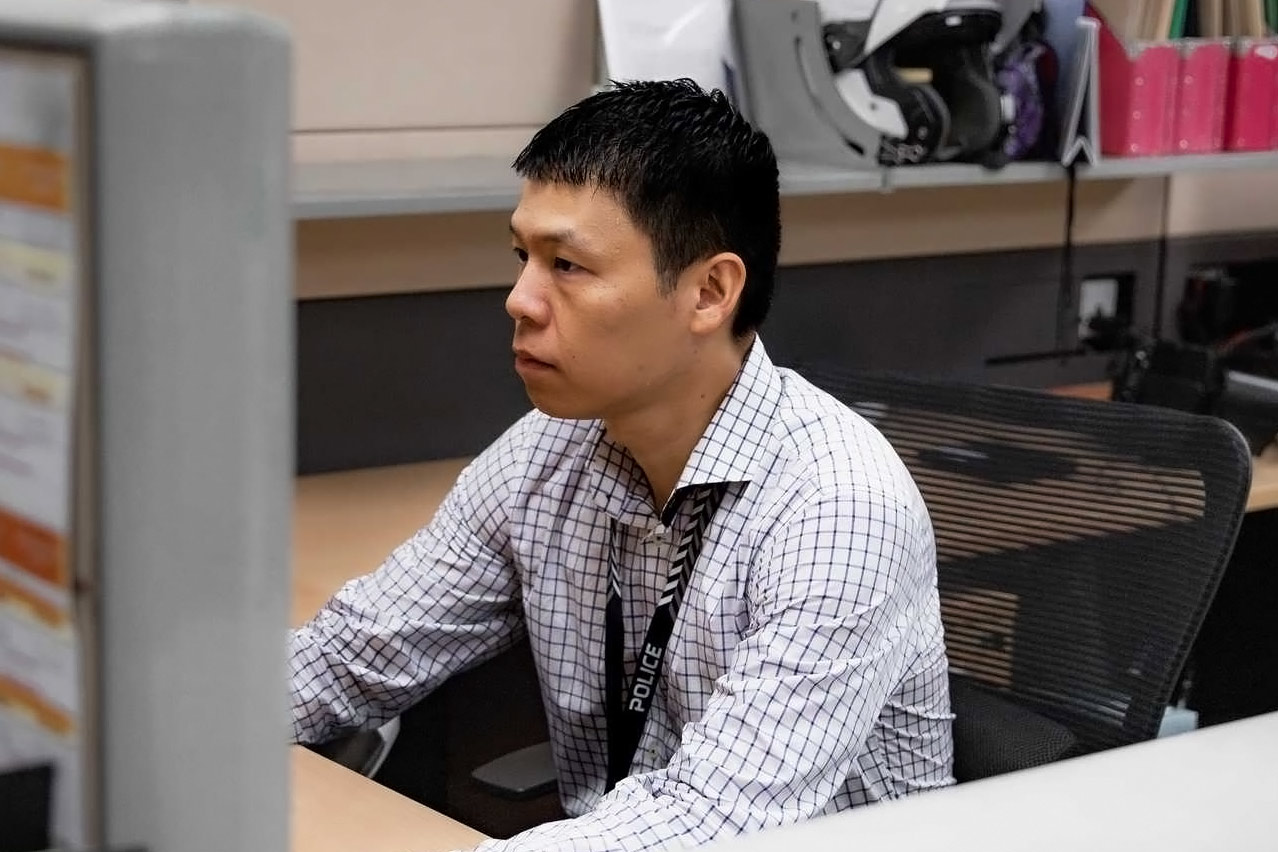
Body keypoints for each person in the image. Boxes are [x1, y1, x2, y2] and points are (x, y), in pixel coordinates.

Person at [288, 78, 954, 852]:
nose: (520, 300)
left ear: (709, 291)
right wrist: (142, 731)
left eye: (566, 265)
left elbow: (714, 822)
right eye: (522, 257)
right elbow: (355, 654)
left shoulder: (838, 508)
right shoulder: (550, 451)